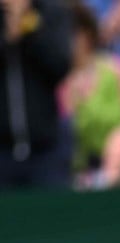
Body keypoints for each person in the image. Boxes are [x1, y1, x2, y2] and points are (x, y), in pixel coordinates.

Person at [1, 0, 73, 190]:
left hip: (46, 150)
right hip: (2, 152)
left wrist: (29, 28)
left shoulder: (51, 12)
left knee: (54, 216)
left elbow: (59, 66)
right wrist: (8, 39)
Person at [60, 0, 120, 186]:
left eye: (72, 33)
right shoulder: (52, 80)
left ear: (87, 34)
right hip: (68, 175)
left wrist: (82, 108)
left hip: (117, 171)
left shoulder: (119, 71)